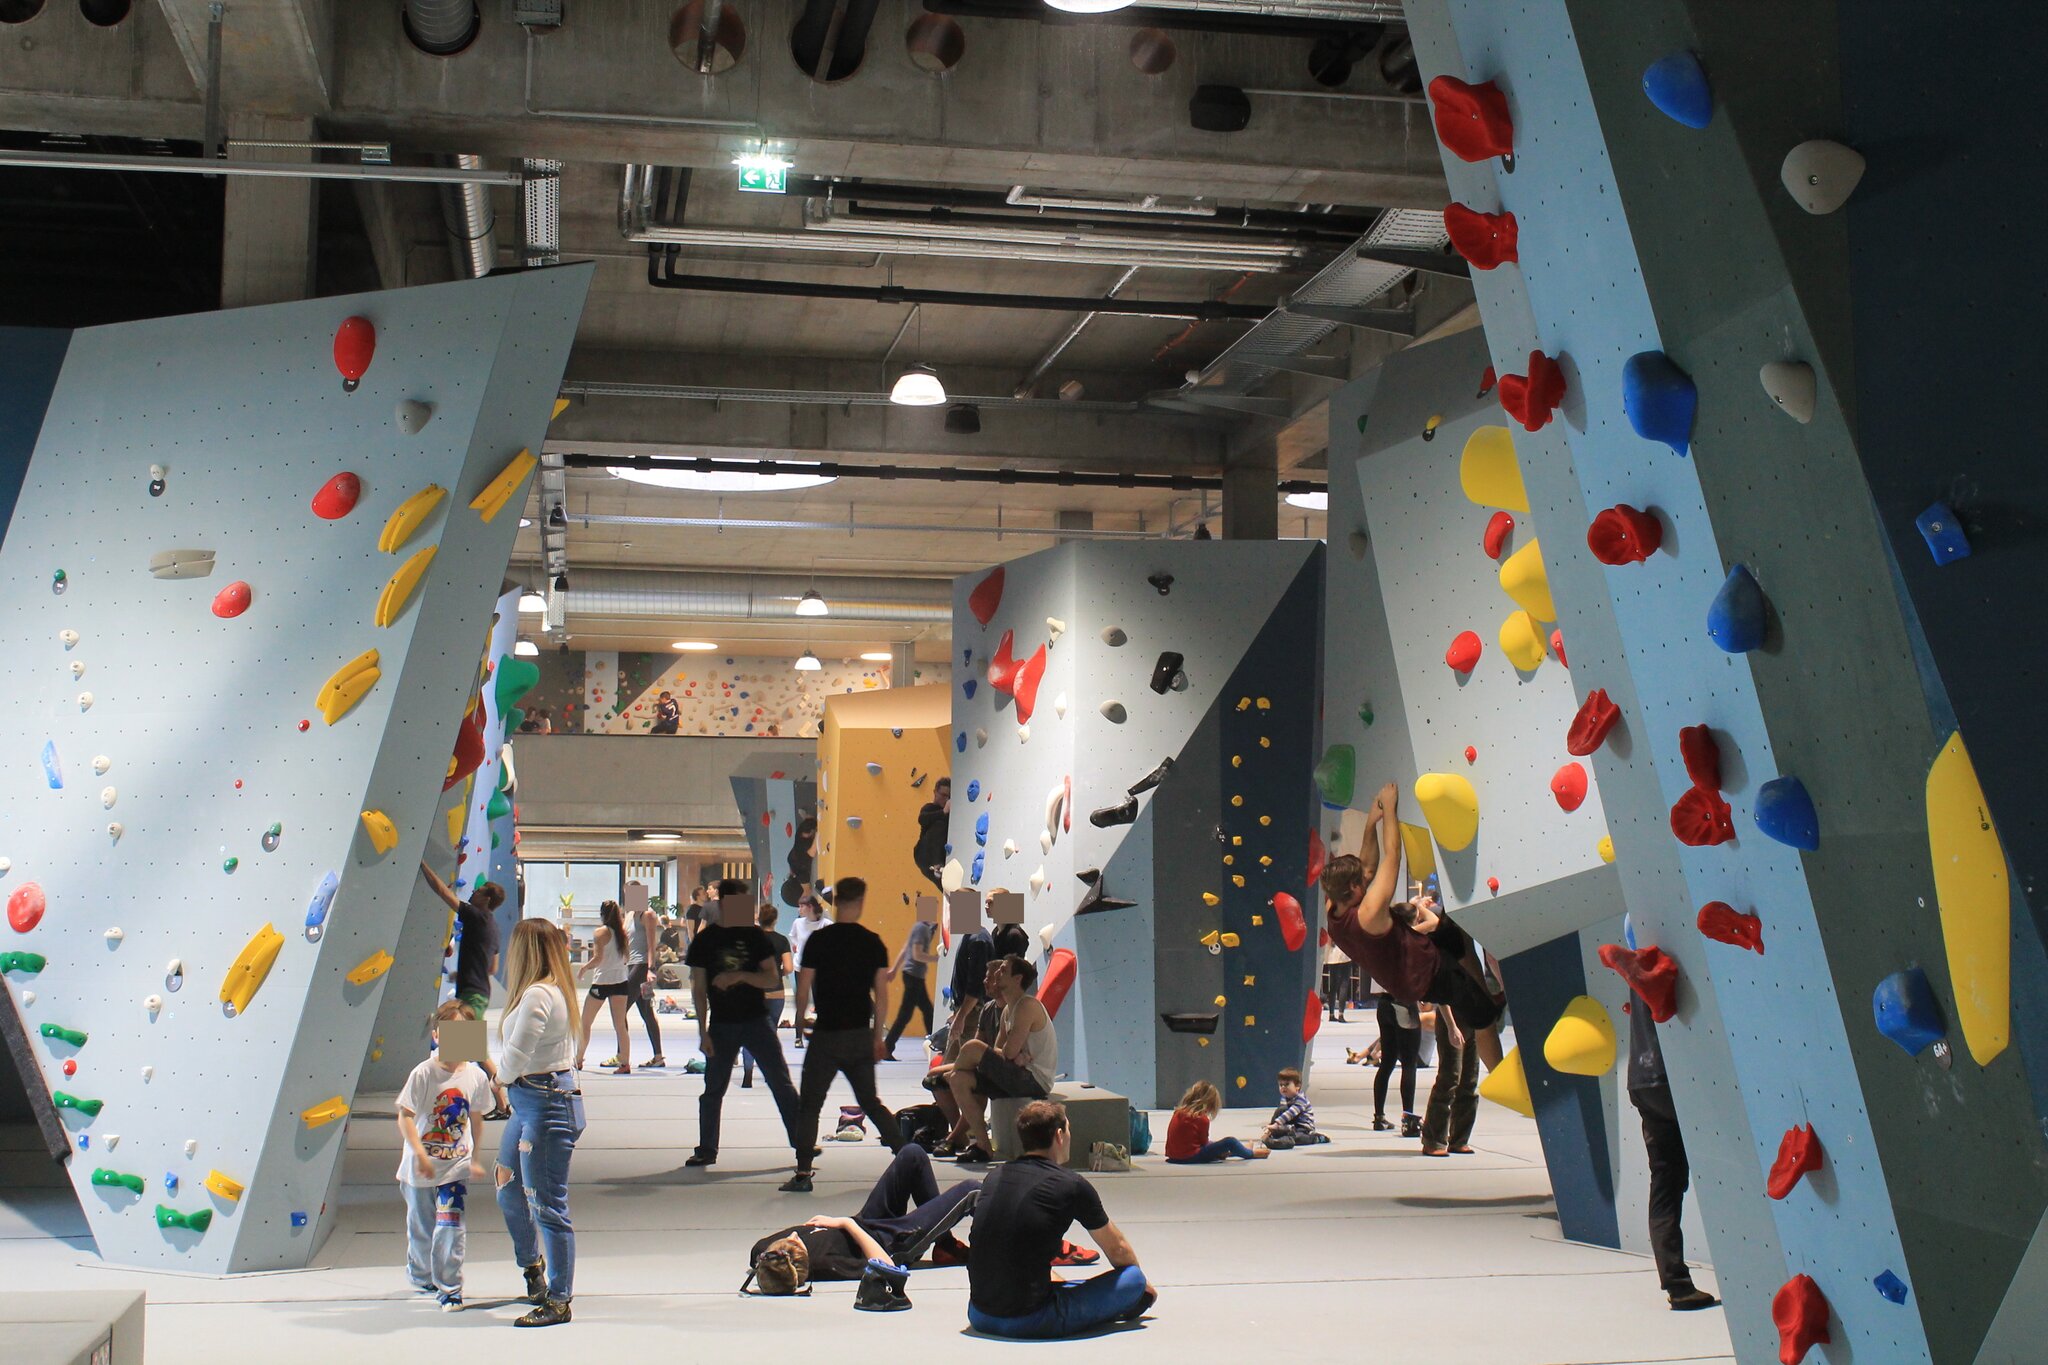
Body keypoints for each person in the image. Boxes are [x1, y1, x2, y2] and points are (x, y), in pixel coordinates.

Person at [1320, 781, 1504, 1030]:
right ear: (1353, 888)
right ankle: (1487, 1009)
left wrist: (1372, 822)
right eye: (1361, 880)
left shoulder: (1334, 905)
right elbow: (1393, 854)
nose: (1367, 877)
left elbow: (1368, 865)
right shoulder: (1369, 913)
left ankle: (1465, 965)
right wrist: (1391, 809)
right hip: (1427, 975)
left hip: (1409, 962)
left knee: (1450, 933)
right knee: (1484, 1014)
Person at [966, 1100, 1154, 1339]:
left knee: (1068, 1284)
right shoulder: (1071, 1185)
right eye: (1068, 1129)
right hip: (1030, 1320)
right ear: (1059, 1135)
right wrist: (1141, 1289)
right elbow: (1118, 1249)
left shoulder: (995, 1177)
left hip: (979, 1314)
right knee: (1133, 1280)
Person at [495, 919, 586, 1327]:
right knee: (508, 1187)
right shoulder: (541, 992)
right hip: (531, 1101)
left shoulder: (538, 995)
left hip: (544, 1103)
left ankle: (559, 1298)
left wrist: (492, 1081)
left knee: (547, 1205)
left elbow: (515, 1055)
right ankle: (533, 1268)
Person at [785, 876, 901, 1192]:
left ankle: (803, 1172)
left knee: (810, 1104)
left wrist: (800, 1021)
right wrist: (878, 1037)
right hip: (859, 1035)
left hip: (826, 1035)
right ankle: (906, 1158)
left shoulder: (819, 941)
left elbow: (804, 986)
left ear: (834, 901)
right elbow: (882, 995)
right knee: (870, 1101)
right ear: (861, 902)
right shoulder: (872, 942)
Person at [747, 1144, 981, 1294]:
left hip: (868, 1220)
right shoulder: (829, 1263)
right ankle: (998, 1255)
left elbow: (759, 1255)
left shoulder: (766, 1251)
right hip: (891, 1242)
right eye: (796, 1241)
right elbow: (885, 1265)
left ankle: (946, 1245)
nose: (795, 1234)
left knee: (913, 1155)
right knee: (971, 1190)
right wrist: (845, 1223)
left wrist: (768, 1265)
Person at [684, 879, 803, 1168]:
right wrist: (702, 1031)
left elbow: (772, 978)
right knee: (713, 1090)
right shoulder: (705, 940)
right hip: (722, 1023)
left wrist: (740, 977)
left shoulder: (755, 937)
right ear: (723, 903)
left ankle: (803, 1142)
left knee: (781, 1083)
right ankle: (707, 1149)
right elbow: (699, 989)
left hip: (756, 1021)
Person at [396, 1000, 493, 1311]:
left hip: (455, 1167)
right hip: (419, 1168)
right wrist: (422, 1156)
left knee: (451, 1228)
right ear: (437, 1035)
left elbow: (476, 1117)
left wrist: (476, 1157)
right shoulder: (423, 1073)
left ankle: (450, 1288)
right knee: (422, 1229)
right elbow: (405, 1116)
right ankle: (421, 1273)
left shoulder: (475, 1076)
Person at [1629, 1002, 1720, 1311]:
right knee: (1722, 1168)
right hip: (1672, 1076)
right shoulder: (1676, 954)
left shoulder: (1638, 957)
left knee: (1665, 1181)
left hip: (1642, 1078)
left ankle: (1677, 1284)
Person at [942, 954, 1055, 1164]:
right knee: (959, 1079)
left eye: (1003, 970)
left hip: (1034, 1080)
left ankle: (948, 1076)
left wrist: (1013, 1055)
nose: (997, 974)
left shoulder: (1027, 1006)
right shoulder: (1007, 1012)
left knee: (973, 1047)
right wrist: (1012, 1055)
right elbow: (1001, 1050)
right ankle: (983, 1146)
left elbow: (1008, 1052)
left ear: (1017, 978)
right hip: (1016, 1073)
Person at [574, 900, 633, 1074]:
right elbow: (626, 957)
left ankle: (578, 1059)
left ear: (602, 914)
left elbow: (598, 958)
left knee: (585, 1022)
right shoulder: (622, 933)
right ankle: (625, 1063)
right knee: (620, 1025)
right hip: (621, 981)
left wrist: (584, 968)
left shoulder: (600, 932)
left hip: (602, 982)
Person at [743, 902, 795, 1088]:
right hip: (775, 992)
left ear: (758, 919)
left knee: (749, 1034)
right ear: (776, 920)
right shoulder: (782, 941)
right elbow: (789, 967)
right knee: (769, 1036)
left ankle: (747, 1074)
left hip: (753, 992)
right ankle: (768, 1073)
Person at [1163, 1080, 1268, 1163]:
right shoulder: (1201, 1119)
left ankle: (1238, 1150)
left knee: (1217, 1146)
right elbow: (1204, 1144)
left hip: (1173, 1157)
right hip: (1190, 1157)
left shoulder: (1178, 1113)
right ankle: (1249, 1153)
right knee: (1230, 1142)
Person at [882, 910, 939, 1058]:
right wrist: (936, 958)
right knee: (907, 1014)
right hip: (914, 975)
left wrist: (894, 969)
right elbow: (916, 954)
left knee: (926, 1011)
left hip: (912, 975)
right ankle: (888, 1047)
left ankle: (935, 1044)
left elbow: (905, 949)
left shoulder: (919, 927)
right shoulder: (921, 928)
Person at [623, 891, 666, 1068]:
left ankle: (621, 1055)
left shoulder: (647, 915)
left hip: (641, 966)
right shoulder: (629, 916)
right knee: (646, 1012)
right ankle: (658, 1056)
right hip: (630, 964)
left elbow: (651, 944)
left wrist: (650, 968)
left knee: (620, 1009)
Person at [1373, 990, 1422, 1137]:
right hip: (1404, 1002)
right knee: (1409, 1063)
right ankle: (1408, 1120)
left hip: (1383, 1003)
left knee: (1387, 1062)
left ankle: (1379, 1117)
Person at [1261, 1067, 1318, 1148]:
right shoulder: (1284, 1098)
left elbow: (1290, 1113)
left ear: (1297, 1086)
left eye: (1287, 1084)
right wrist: (1271, 1128)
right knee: (1280, 1110)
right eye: (1281, 1085)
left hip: (1303, 1128)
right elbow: (1280, 1114)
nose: (1283, 1087)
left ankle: (1315, 1138)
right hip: (1291, 1127)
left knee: (1298, 1137)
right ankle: (1277, 1139)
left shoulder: (1301, 1100)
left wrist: (1276, 1124)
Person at [914, 777, 951, 892]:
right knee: (939, 824)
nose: (945, 799)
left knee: (950, 887)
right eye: (943, 795)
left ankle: (964, 907)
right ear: (935, 792)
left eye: (948, 796)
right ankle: (937, 865)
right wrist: (943, 812)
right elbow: (922, 819)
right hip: (925, 855)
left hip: (939, 856)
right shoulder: (929, 808)